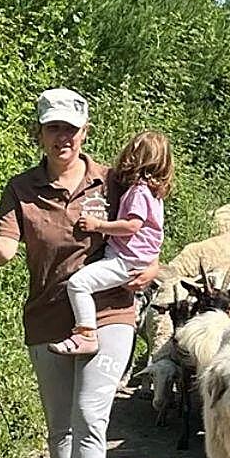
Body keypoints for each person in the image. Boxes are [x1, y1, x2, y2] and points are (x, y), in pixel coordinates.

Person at [0, 88, 159, 458]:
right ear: (38, 133)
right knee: (60, 427)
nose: (63, 138)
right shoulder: (21, 189)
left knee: (89, 415)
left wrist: (153, 266)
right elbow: (5, 253)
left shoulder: (113, 181)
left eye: (71, 129)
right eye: (54, 128)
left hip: (110, 311)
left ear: (85, 133)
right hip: (47, 317)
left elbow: (147, 229)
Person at [48, 130, 172, 356]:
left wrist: (98, 225)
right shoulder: (156, 194)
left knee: (78, 284)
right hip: (137, 259)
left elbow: (132, 225)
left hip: (126, 260)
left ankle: (86, 333)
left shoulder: (139, 192)